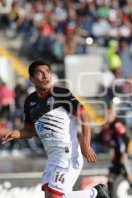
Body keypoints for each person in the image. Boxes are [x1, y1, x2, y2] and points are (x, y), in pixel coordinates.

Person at [1, 60, 109, 198]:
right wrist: (17, 133)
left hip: (68, 155)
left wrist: (86, 144)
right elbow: (30, 130)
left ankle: (95, 193)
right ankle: (95, 193)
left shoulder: (60, 93)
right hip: (52, 158)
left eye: (47, 72)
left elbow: (85, 116)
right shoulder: (29, 101)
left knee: (55, 197)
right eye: (40, 73)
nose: (45, 76)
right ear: (32, 79)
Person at [105, 107, 132, 198]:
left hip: (122, 159)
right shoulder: (111, 126)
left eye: (109, 114)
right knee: (110, 181)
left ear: (113, 114)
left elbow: (126, 139)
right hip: (116, 160)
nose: (107, 116)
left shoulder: (117, 124)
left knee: (131, 180)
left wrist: (125, 155)